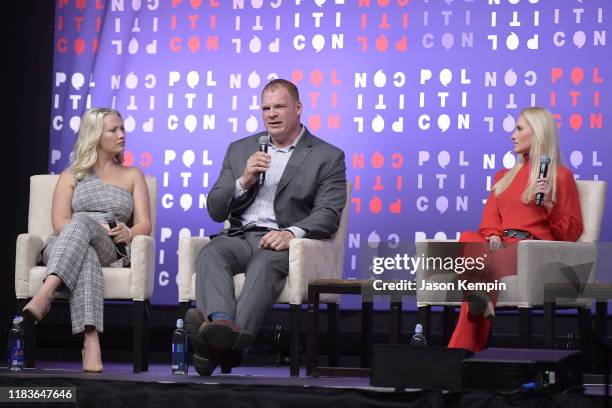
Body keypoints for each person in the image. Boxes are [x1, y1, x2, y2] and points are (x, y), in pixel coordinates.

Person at [185, 79, 347, 375]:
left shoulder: (327, 156)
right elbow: (215, 208)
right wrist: (244, 180)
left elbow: (328, 213)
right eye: (266, 108)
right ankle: (222, 328)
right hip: (240, 236)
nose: (271, 114)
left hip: (284, 242)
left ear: (298, 108)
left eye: (280, 107)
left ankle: (216, 347)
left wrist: (291, 234)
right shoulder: (240, 149)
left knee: (264, 264)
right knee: (210, 254)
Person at [22, 108, 152, 372]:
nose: (121, 135)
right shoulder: (71, 175)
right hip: (65, 243)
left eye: (122, 128)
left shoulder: (133, 175)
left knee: (84, 225)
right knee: (84, 241)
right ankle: (91, 340)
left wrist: (129, 232)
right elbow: (59, 222)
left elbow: (145, 224)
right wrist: (92, 225)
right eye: (113, 130)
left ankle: (46, 292)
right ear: (95, 136)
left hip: (111, 247)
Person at [447, 107, 583, 353]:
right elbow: (489, 218)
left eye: (519, 128)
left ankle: (458, 354)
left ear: (538, 133)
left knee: (480, 275)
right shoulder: (503, 176)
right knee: (469, 237)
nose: (512, 134)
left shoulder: (561, 177)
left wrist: (551, 205)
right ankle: (479, 306)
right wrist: (493, 234)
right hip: (500, 246)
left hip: (531, 252)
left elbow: (571, 234)